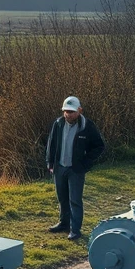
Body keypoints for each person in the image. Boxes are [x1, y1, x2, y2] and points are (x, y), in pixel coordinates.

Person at [45, 96, 105, 240]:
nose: (68, 114)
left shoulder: (87, 126)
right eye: (66, 111)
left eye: (71, 112)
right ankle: (63, 224)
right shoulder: (58, 124)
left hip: (76, 170)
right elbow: (51, 144)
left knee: (75, 200)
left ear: (79, 111)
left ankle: (75, 230)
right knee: (62, 198)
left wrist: (86, 163)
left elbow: (99, 146)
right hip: (59, 167)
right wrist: (50, 163)